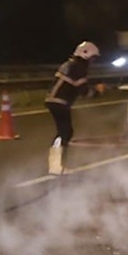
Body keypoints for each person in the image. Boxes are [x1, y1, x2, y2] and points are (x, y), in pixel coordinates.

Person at [45, 41, 99, 175]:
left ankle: (57, 164)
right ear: (85, 54)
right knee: (64, 132)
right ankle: (55, 166)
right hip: (59, 101)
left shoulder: (71, 65)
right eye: (93, 58)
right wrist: (98, 90)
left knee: (66, 131)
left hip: (55, 100)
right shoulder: (78, 68)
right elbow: (85, 92)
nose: (93, 62)